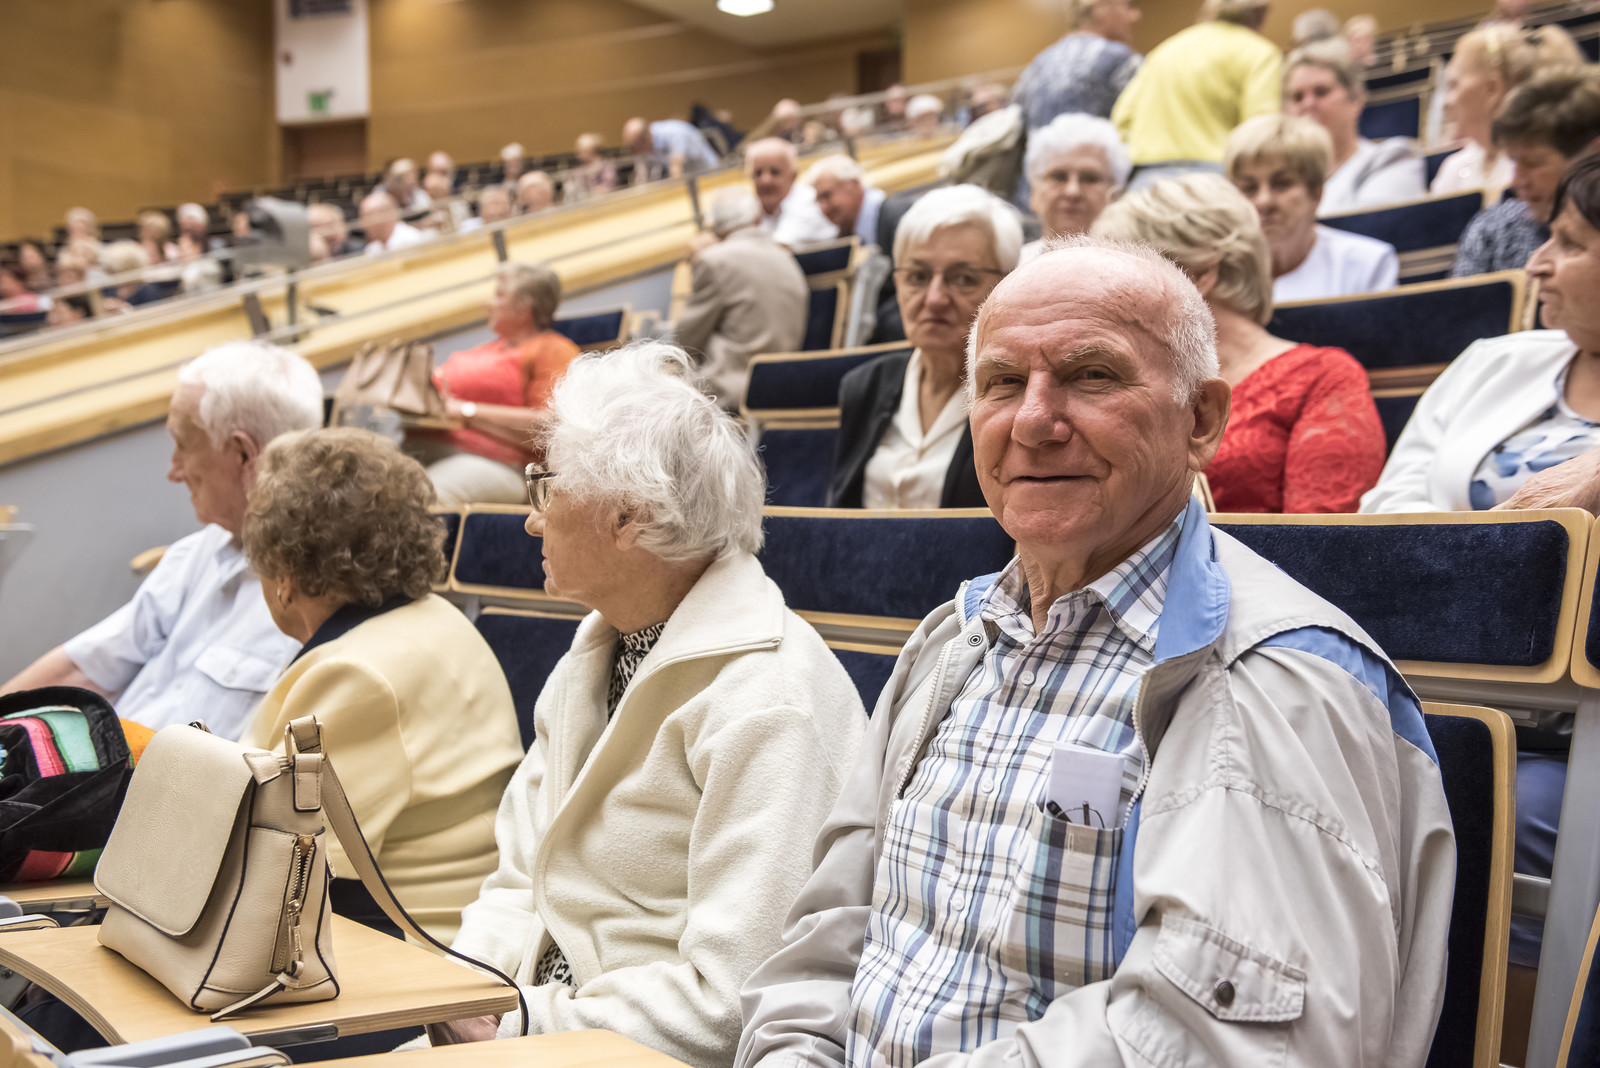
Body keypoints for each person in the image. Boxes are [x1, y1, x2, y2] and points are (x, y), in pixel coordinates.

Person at [737, 235, 1455, 1068]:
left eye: (1092, 376)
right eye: (1003, 383)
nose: (1034, 422)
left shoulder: (1270, 683)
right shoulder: (950, 642)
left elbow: (1223, 1043)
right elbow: (828, 939)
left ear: (1201, 420)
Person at [431, 343, 866, 1060]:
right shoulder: (599, 648)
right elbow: (515, 883)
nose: (532, 519)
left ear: (628, 516)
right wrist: (463, 995)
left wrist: (518, 1025)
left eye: (546, 487)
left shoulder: (771, 702)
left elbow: (734, 1001)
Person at [1363, 152, 1600, 988]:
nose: (1538, 264)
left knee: (1519, 812)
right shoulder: (1495, 362)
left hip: (1576, 734)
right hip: (1437, 682)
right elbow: (1387, 514)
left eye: (1570, 243)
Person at [242, 428, 523, 943]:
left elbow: (269, 860)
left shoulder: (357, 675)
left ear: (284, 573)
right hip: (445, 931)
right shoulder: (436, 618)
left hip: (398, 953)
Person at [0, 342, 323, 738]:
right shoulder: (199, 552)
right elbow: (83, 668)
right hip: (106, 762)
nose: (174, 470)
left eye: (183, 445)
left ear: (242, 454)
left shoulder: (317, 600)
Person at [1095, 173, 1386, 511]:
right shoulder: (1116, 379)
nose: (1105, 298)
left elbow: (1319, 535)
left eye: (1126, 280)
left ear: (1198, 276)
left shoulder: (1322, 378)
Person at [829, 185, 1022, 509]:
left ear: (1006, 285)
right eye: (917, 276)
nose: (934, 299)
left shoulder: (1021, 397)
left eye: (963, 279)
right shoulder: (864, 385)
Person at [406, 261, 579, 506]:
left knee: (419, 500)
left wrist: (466, 410)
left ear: (523, 308)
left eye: (499, 295)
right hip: (427, 446)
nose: (486, 303)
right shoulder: (487, 349)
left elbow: (550, 427)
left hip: (503, 465)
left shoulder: (552, 348)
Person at [1225, 114, 1399, 301]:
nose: (1264, 201)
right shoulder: (1215, 272)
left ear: (1316, 192)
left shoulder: (1367, 265)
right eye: (1249, 188)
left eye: (1281, 184)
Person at [1111, 0, 1282, 189]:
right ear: (1261, 14)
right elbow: (1261, 128)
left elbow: (1123, 117)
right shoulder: (1260, 52)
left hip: (1147, 177)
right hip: (1214, 177)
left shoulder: (1166, 49)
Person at [1453, 68, 1600, 277]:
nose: (1516, 181)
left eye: (1533, 163)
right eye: (1513, 161)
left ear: (1594, 153)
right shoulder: (1492, 231)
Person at [673, 189, 809, 409]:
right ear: (757, 218)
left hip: (726, 395)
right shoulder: (786, 257)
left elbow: (685, 342)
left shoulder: (713, 262)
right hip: (784, 388)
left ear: (716, 227)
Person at [1431, 23, 1584, 196]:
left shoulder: (1536, 171)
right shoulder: (1453, 168)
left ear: (1492, 89)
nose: (1445, 102)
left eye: (1454, 85)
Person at [1287, 40, 1427, 213]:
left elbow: (1375, 225)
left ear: (1355, 100)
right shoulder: (1276, 181)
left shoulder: (1390, 159)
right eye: (1298, 97)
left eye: (1321, 92)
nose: (1308, 104)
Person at [1013, 0, 1143, 130]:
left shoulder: (1036, 66)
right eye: (1127, 6)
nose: (1134, 16)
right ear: (1100, 9)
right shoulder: (1121, 60)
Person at [1020, 113, 1131, 262]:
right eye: (1059, 177)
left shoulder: (1133, 268)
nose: (1072, 191)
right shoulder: (1008, 268)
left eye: (1090, 179)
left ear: (1116, 195)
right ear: (1034, 191)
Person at [745, 138, 835, 247]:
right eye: (758, 173)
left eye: (774, 172)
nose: (765, 180)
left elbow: (779, 248)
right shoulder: (750, 207)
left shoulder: (809, 202)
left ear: (793, 176)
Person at [804, 155, 886, 245]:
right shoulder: (847, 231)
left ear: (853, 185)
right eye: (818, 200)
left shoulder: (891, 219)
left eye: (826, 196)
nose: (823, 207)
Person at [624, 116, 721, 179]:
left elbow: (676, 168)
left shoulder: (673, 133)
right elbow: (642, 176)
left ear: (647, 138)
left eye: (637, 147)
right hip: (690, 177)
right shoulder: (644, 142)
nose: (637, 152)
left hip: (709, 174)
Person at [360, 190, 431, 255]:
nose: (364, 225)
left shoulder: (411, 241)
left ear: (386, 215)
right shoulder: (373, 248)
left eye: (368, 217)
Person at [567, 133, 618, 200]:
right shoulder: (578, 171)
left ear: (591, 150)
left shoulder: (605, 166)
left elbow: (609, 186)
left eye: (582, 151)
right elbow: (578, 192)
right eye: (578, 150)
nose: (578, 154)